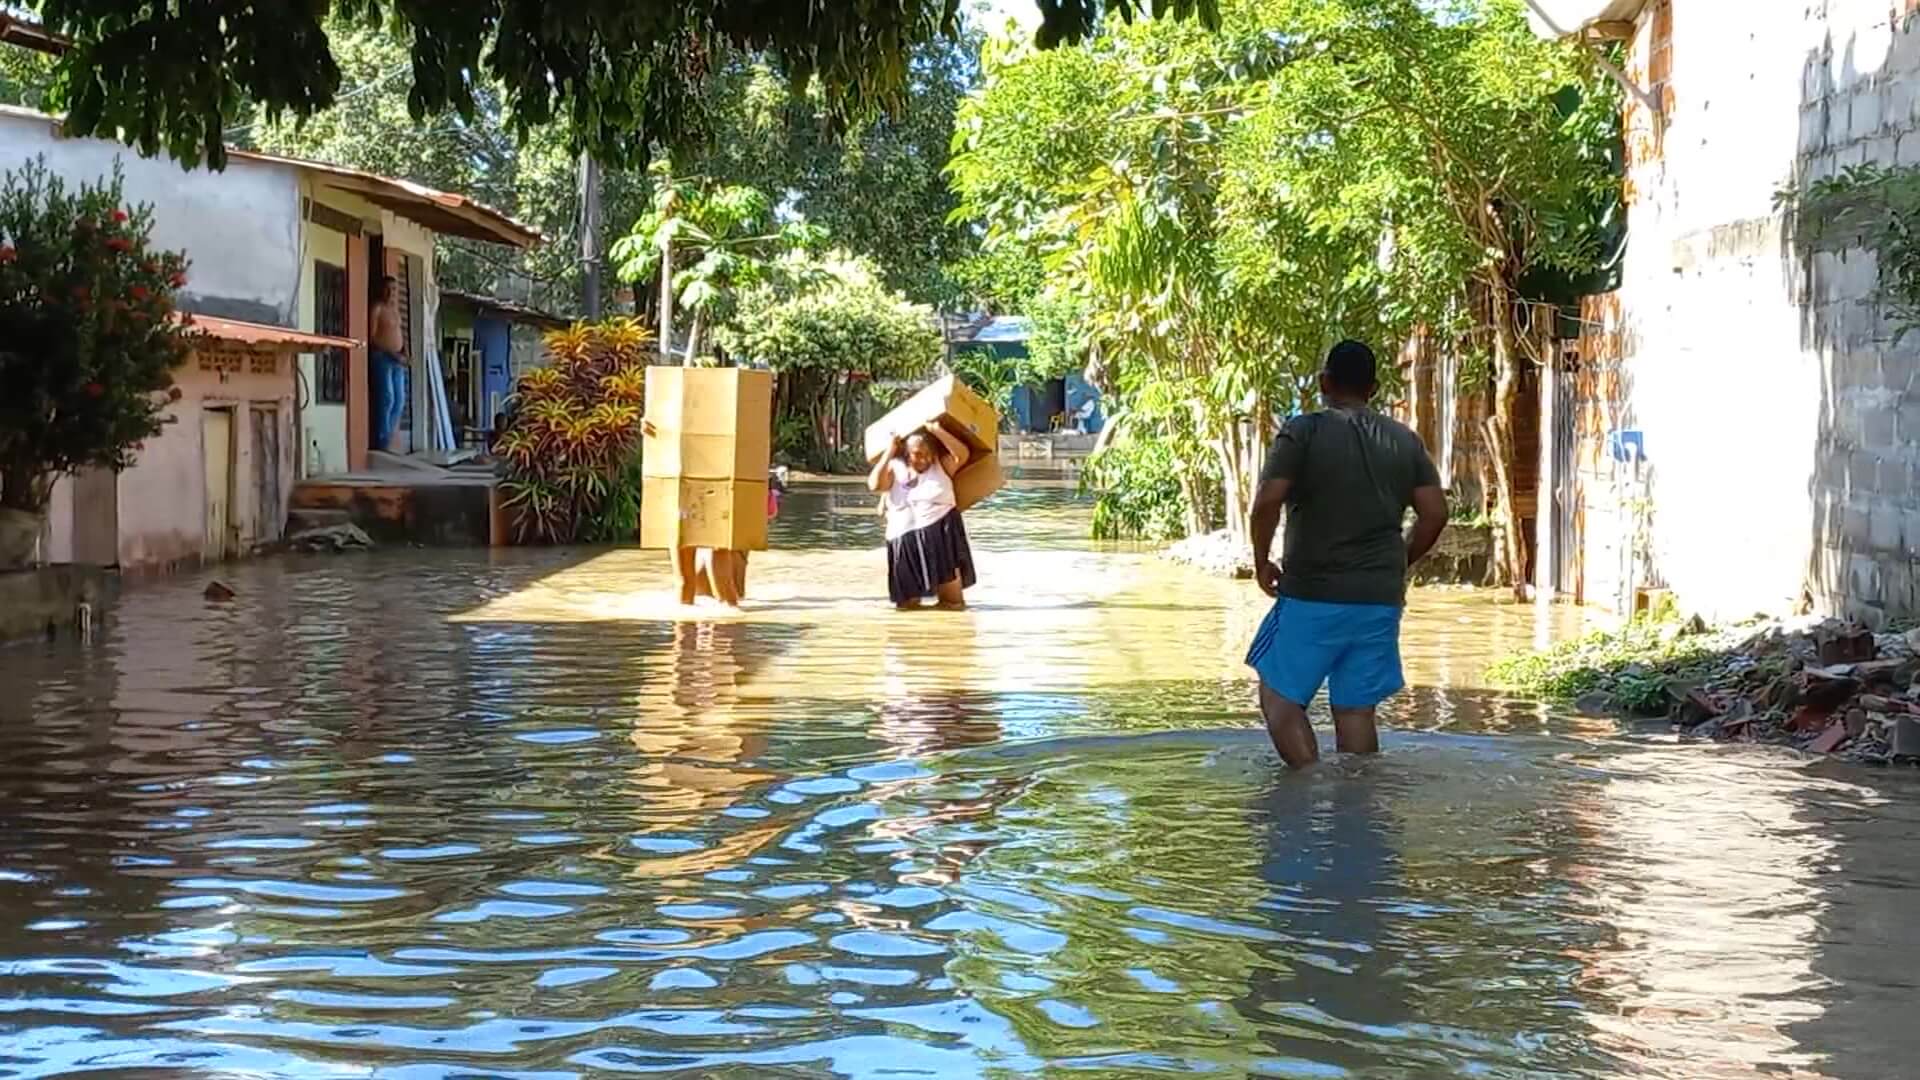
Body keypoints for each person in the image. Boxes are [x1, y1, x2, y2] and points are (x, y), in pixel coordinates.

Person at [1246, 340, 1448, 769]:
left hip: (1312, 593)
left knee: (1280, 700)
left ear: (1324, 383)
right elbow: (1434, 514)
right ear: (1373, 388)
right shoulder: (1404, 440)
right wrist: (1399, 562)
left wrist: (1261, 560)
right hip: (1379, 599)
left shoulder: (1304, 432)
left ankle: (1305, 792)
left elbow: (1266, 503)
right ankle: (1358, 813)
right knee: (1356, 711)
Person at [869, 420, 976, 610]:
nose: (923, 459)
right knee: (907, 606)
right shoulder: (894, 467)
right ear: (906, 454)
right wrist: (889, 450)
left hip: (939, 534)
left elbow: (962, 454)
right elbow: (874, 485)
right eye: (917, 454)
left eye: (927, 454)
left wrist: (937, 429)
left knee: (953, 603)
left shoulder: (941, 465)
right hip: (903, 538)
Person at [370, 275, 408, 452]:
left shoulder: (395, 310)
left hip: (397, 360)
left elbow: (399, 333)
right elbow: (372, 338)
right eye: (387, 289)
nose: (390, 293)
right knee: (387, 398)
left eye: (393, 289)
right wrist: (391, 353)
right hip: (383, 358)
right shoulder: (377, 309)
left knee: (399, 400)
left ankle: (389, 437)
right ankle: (382, 440)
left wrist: (404, 352)